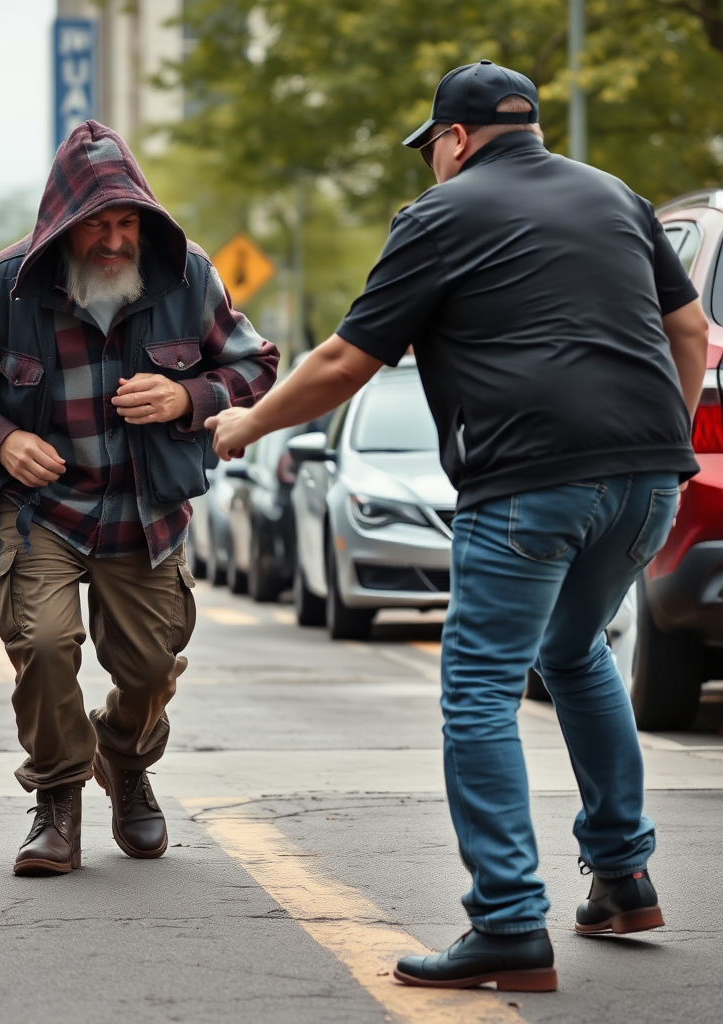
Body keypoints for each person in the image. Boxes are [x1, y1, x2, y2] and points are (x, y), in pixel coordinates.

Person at [206, 60, 707, 992]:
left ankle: (511, 922)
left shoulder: (437, 216)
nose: (429, 165)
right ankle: (623, 874)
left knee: (477, 688)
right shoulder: (618, 199)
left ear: (456, 138)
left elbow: (346, 360)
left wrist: (248, 422)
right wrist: (664, 440)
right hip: (649, 481)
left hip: (529, 484)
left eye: (430, 147)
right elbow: (688, 334)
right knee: (575, 650)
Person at [0, 120, 278, 875]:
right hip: (42, 508)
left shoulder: (190, 277)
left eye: (127, 223)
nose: (115, 240)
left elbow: (256, 366)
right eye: (97, 226)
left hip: (149, 510)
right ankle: (56, 799)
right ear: (62, 226)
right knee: (44, 646)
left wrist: (189, 396)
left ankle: (124, 760)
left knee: (150, 666)